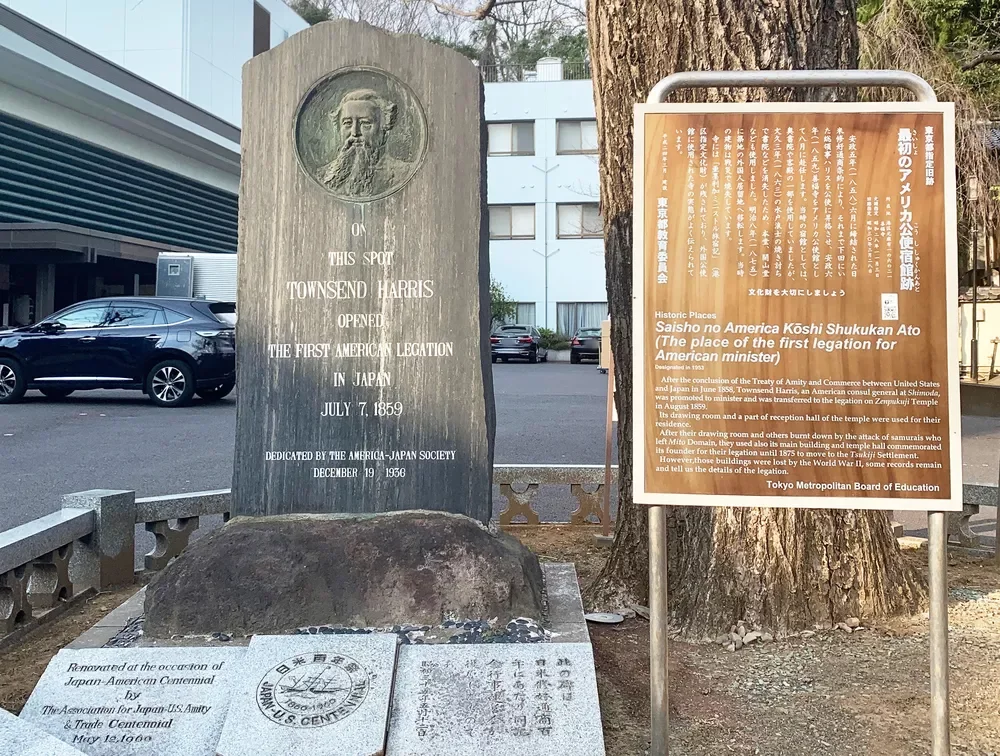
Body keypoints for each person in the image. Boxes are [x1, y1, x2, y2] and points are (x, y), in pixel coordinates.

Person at [320, 89, 412, 198]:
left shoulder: (402, 173)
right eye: (347, 123)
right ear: (339, 129)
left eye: (365, 123)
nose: (355, 132)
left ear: (385, 129)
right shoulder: (323, 175)